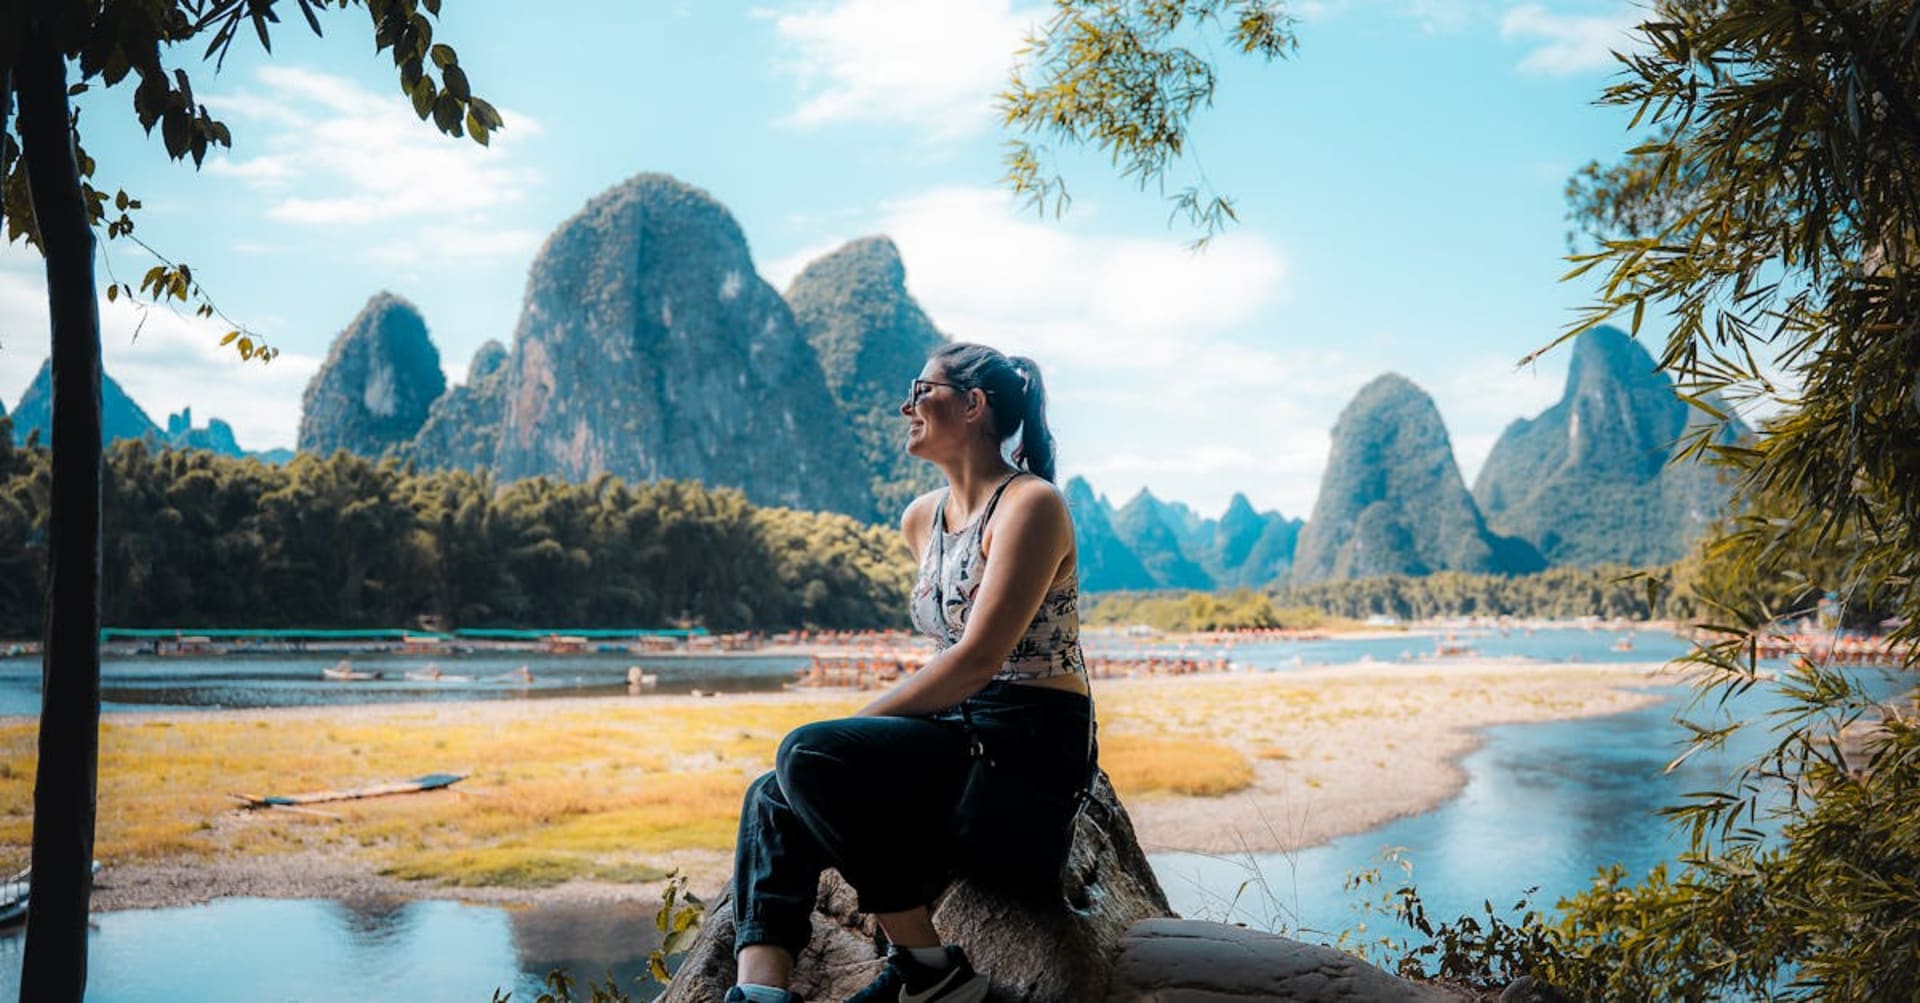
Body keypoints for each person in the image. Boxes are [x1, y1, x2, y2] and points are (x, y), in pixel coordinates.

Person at [727, 343, 1094, 1003]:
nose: (906, 406)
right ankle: (758, 994)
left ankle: (930, 971)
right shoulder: (921, 519)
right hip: (959, 735)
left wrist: (844, 734)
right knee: (770, 793)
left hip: (1025, 754)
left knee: (806, 754)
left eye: (922, 389)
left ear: (974, 406)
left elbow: (979, 657)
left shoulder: (1030, 504)